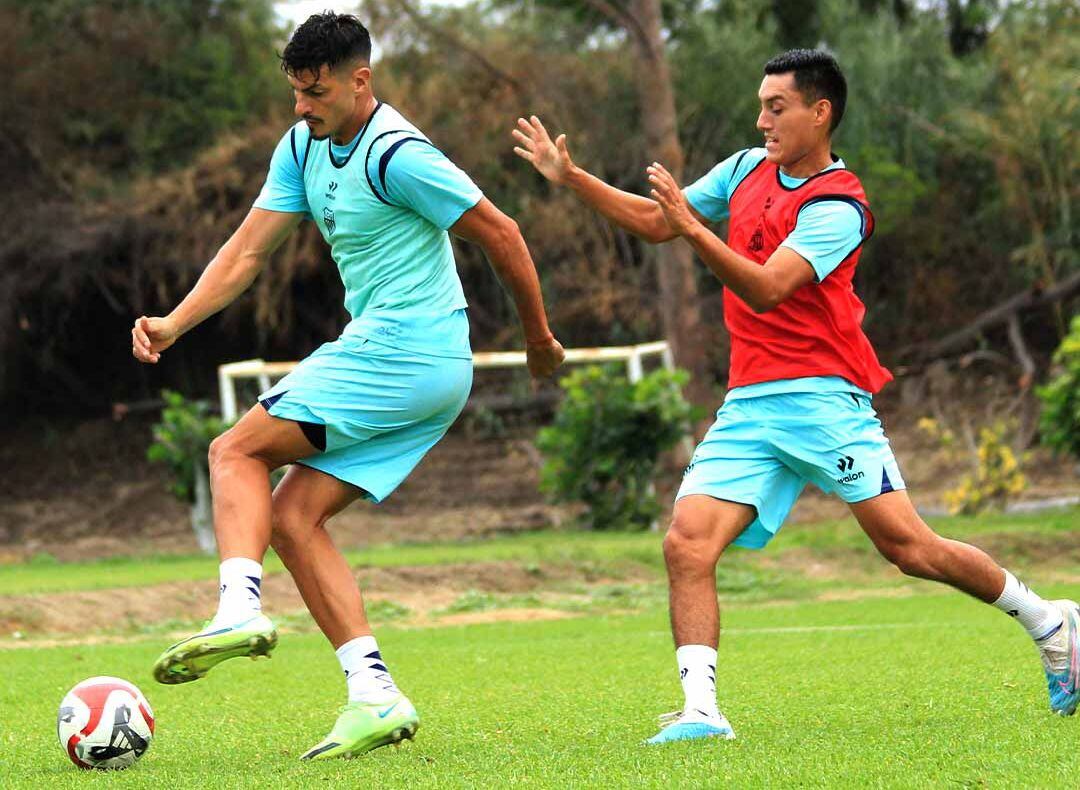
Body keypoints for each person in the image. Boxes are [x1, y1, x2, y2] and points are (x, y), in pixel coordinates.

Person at [513, 47, 1078, 744]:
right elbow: (660, 220)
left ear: (821, 111)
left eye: (776, 107)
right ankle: (701, 711)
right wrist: (573, 179)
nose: (762, 120)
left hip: (822, 399)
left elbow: (767, 285)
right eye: (760, 105)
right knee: (686, 545)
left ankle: (1052, 624)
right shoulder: (746, 168)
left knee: (909, 549)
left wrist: (694, 231)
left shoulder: (841, 206)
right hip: (749, 402)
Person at [132, 12, 564, 760]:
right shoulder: (302, 147)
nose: (303, 106)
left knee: (234, 451)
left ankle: (237, 606)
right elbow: (245, 253)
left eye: (318, 92)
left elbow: (503, 233)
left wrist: (537, 339)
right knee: (294, 519)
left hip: (406, 350)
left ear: (361, 81)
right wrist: (174, 323)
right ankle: (374, 695)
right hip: (423, 370)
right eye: (297, 91)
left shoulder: (400, 154)